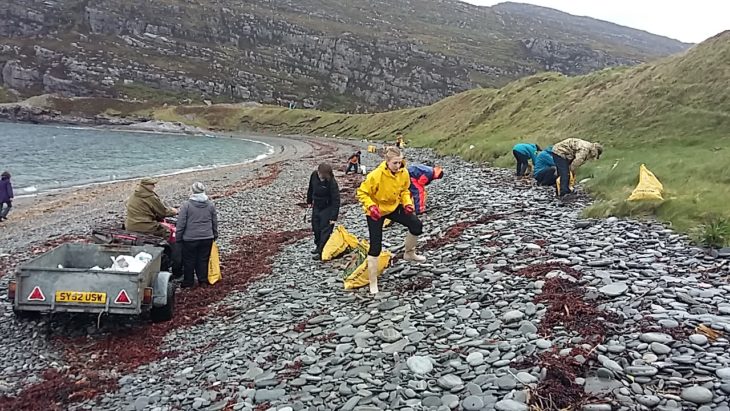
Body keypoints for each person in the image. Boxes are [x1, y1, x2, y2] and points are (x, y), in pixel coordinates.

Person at [357, 146, 425, 294]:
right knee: (375, 247)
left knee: (416, 225)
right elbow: (362, 193)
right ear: (387, 161)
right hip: (376, 211)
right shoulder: (376, 175)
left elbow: (405, 190)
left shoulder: (403, 172)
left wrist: (407, 203)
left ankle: (409, 253)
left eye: (400, 162)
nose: (398, 166)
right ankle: (373, 282)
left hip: (394, 206)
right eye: (395, 163)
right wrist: (371, 207)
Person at [176, 182, 218, 288]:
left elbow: (181, 223)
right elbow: (214, 221)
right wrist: (214, 234)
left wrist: (178, 237)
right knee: (203, 259)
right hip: (207, 237)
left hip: (190, 238)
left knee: (189, 261)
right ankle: (203, 281)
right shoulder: (210, 205)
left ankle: (188, 282)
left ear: (193, 191)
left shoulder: (187, 205)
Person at [307, 163, 340, 260]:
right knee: (316, 227)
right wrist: (309, 201)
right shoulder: (314, 175)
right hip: (317, 205)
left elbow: (336, 200)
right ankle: (318, 246)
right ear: (318, 172)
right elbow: (310, 188)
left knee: (325, 230)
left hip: (327, 207)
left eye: (325, 176)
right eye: (322, 176)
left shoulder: (332, 182)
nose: (323, 178)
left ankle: (322, 251)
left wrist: (333, 217)